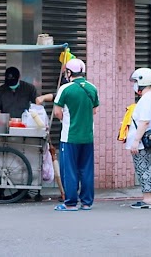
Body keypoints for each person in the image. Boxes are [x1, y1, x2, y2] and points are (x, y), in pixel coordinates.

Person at [52, 58, 99, 211]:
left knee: (70, 170)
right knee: (86, 170)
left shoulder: (65, 89)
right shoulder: (92, 88)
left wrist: (65, 118)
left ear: (69, 72)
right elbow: (94, 111)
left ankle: (70, 203)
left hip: (70, 137)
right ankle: (86, 202)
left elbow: (57, 112)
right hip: (88, 136)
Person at [126, 67, 151, 209]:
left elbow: (144, 121)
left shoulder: (146, 99)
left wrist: (135, 141)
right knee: (148, 167)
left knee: (143, 169)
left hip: (142, 141)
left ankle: (147, 199)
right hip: (150, 140)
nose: (134, 85)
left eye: (135, 81)